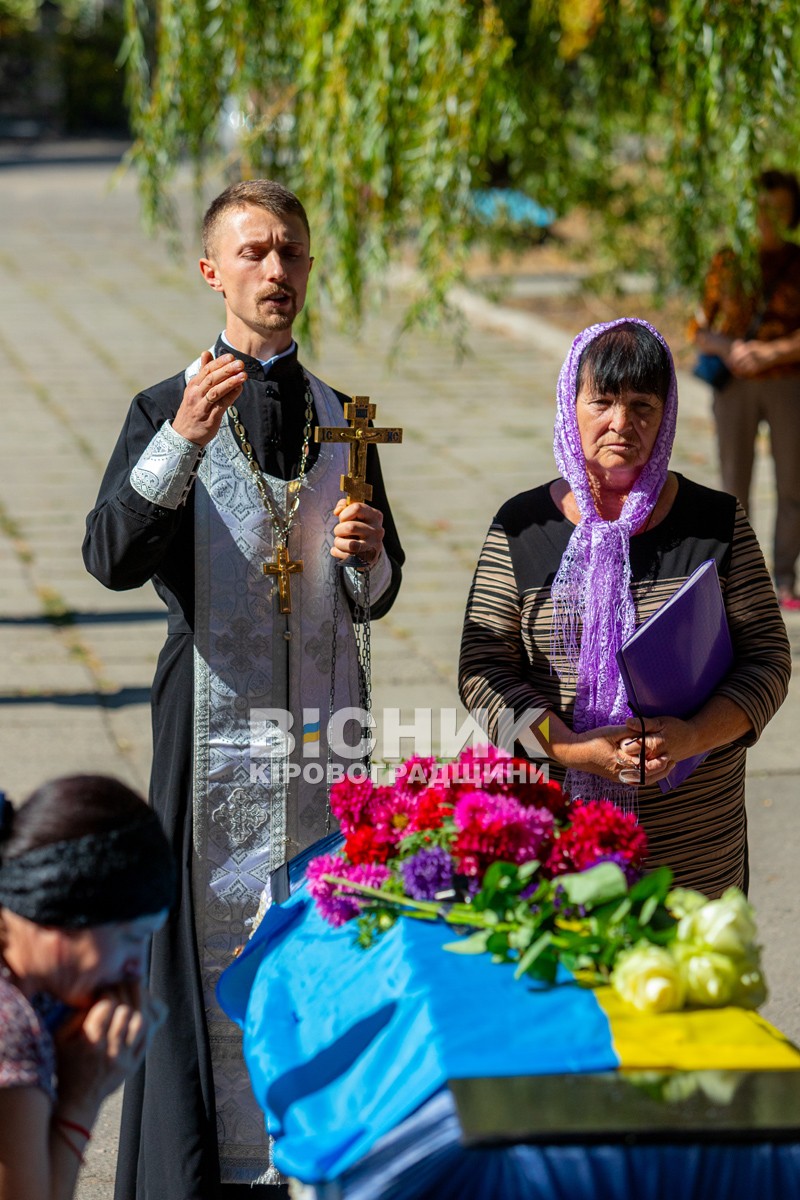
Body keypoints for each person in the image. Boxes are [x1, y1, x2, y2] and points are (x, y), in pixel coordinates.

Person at [82, 179, 404, 1198]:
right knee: (203, 944)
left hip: (324, 736)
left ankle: (319, 1157)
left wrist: (365, 554)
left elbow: (377, 592)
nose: (277, 272)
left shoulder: (341, 417)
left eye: (293, 254)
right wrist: (178, 438)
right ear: (212, 270)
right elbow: (108, 559)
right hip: (208, 731)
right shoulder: (158, 405)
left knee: (324, 924)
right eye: (255, 252)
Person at [460, 318, 790, 898]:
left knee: (688, 984)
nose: (621, 423)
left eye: (643, 405)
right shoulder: (522, 527)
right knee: (567, 983)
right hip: (558, 833)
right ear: (571, 403)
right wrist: (568, 747)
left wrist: (690, 737)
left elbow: (767, 660)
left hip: (693, 847)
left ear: (666, 414)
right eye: (603, 401)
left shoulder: (715, 522)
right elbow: (483, 668)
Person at [0, 775, 173, 1200]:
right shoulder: (11, 1029)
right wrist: (81, 1098)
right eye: (132, 937)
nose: (136, 971)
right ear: (68, 908)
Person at [690, 168, 800, 610]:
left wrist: (772, 353)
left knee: (793, 482)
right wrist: (732, 348)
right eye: (761, 205)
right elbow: (699, 327)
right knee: (734, 484)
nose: (767, 215)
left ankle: (786, 579)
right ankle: (741, 579)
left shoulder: (796, 262)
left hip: (788, 384)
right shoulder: (727, 261)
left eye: (778, 206)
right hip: (734, 386)